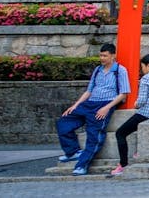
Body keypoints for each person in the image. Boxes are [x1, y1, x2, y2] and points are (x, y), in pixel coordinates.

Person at [56, 42, 130, 176]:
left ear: (113, 56)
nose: (102, 58)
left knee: (94, 136)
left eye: (105, 56)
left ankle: (81, 166)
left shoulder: (120, 70)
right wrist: (76, 105)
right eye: (100, 55)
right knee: (64, 121)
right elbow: (89, 90)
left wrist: (106, 108)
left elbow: (123, 94)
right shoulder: (97, 70)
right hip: (89, 103)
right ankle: (72, 151)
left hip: (105, 103)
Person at [110, 53, 149, 176]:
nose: (142, 70)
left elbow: (142, 101)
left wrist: (136, 104)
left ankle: (123, 165)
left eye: (142, 67)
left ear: (148, 66)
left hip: (147, 113)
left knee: (120, 133)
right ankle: (139, 151)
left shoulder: (146, 79)